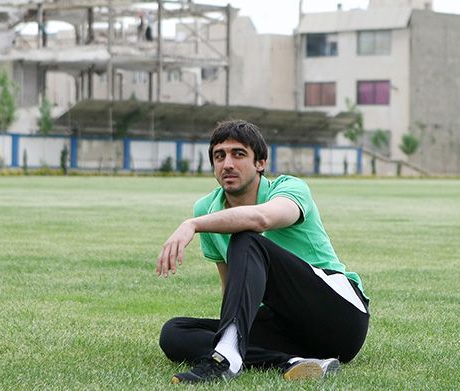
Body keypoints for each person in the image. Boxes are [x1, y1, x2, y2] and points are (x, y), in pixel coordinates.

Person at [156, 120, 369, 384]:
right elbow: (231, 287)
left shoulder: (290, 188)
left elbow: (261, 220)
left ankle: (226, 360)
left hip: (339, 316)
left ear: (260, 163)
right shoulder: (206, 208)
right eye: (219, 156)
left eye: (238, 154)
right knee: (175, 332)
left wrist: (193, 225)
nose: (227, 164)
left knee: (246, 239)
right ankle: (290, 362)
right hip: (287, 329)